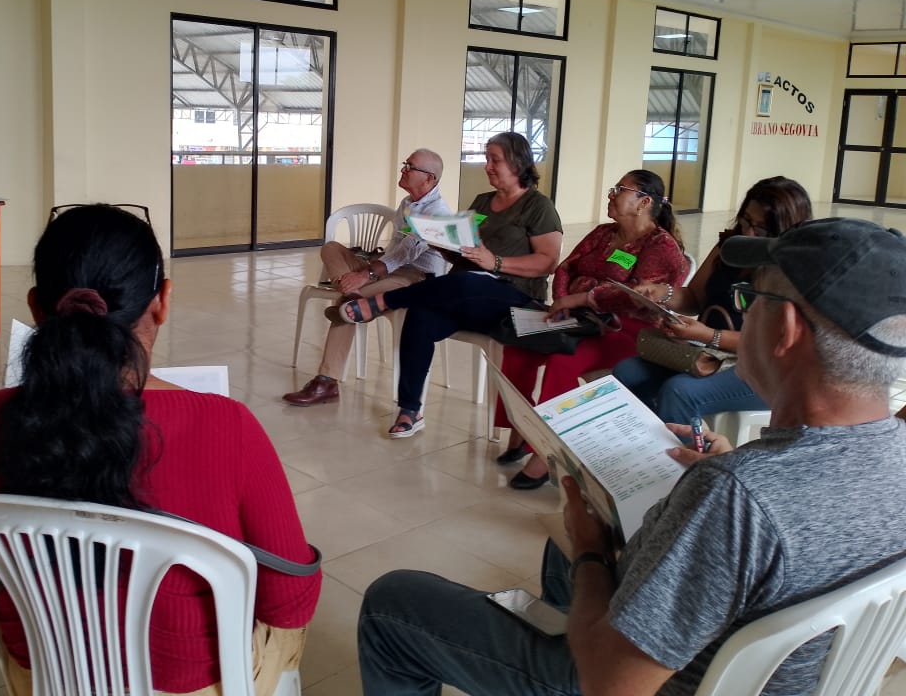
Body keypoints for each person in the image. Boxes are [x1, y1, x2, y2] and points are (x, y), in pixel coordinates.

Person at [356, 217, 906, 696]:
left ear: (784, 329)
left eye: (751, 299)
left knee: (393, 602)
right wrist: (726, 466)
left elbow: (609, 684)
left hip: (634, 679)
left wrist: (592, 551)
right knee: (563, 554)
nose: (743, 313)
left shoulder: (740, 497)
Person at [0, 205, 321, 695]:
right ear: (162, 301)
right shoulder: (227, 425)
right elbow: (288, 603)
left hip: (43, 678)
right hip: (194, 685)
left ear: (37, 308)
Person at [338, 132, 562, 438]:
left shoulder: (538, 206)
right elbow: (465, 249)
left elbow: (548, 261)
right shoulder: (483, 201)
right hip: (465, 292)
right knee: (421, 315)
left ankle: (385, 300)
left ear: (518, 162)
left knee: (465, 282)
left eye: (494, 160)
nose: (487, 166)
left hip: (512, 296)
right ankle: (410, 409)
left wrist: (495, 263)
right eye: (486, 159)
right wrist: (441, 243)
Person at [499, 170, 688, 489]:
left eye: (620, 189)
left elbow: (635, 297)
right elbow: (566, 268)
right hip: (583, 320)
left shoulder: (661, 246)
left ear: (644, 202)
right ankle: (523, 429)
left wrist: (581, 296)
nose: (611, 194)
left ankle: (547, 451)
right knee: (519, 347)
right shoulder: (603, 233)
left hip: (630, 331)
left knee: (563, 361)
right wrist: (562, 301)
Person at [613, 176, 812, 425]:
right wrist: (663, 294)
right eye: (746, 221)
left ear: (785, 230)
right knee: (626, 373)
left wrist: (708, 335)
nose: (749, 233)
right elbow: (695, 298)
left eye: (761, 229)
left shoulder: (795, 267)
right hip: (708, 352)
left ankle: (691, 449)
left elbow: (773, 342)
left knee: (679, 392)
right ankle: (646, 440)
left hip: (767, 366)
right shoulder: (730, 246)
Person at [284, 149, 450, 406]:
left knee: (353, 306)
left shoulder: (437, 213)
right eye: (405, 164)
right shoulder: (407, 203)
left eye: (410, 167)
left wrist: (367, 274)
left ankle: (327, 381)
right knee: (331, 249)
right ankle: (348, 293)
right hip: (387, 267)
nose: (403, 169)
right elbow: (394, 250)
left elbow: (405, 255)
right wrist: (366, 270)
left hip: (416, 277)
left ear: (429, 178)